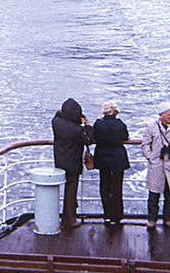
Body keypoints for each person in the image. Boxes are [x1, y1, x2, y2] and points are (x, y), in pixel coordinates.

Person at [141, 103, 170, 229]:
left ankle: (167, 218)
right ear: (161, 116)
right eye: (168, 114)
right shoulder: (151, 127)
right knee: (153, 195)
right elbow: (145, 144)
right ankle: (152, 219)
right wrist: (151, 157)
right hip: (157, 166)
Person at [52, 98, 92, 230]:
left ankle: (60, 216)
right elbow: (90, 139)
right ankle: (69, 219)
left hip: (60, 161)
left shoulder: (56, 123)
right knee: (71, 190)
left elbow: (57, 115)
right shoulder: (77, 130)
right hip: (73, 164)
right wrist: (86, 124)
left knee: (63, 190)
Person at [93, 101, 130, 225]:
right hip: (118, 158)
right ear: (115, 112)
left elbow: (94, 136)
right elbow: (125, 136)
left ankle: (107, 214)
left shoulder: (98, 124)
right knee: (117, 187)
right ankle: (117, 215)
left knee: (104, 186)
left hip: (103, 158)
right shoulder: (120, 124)